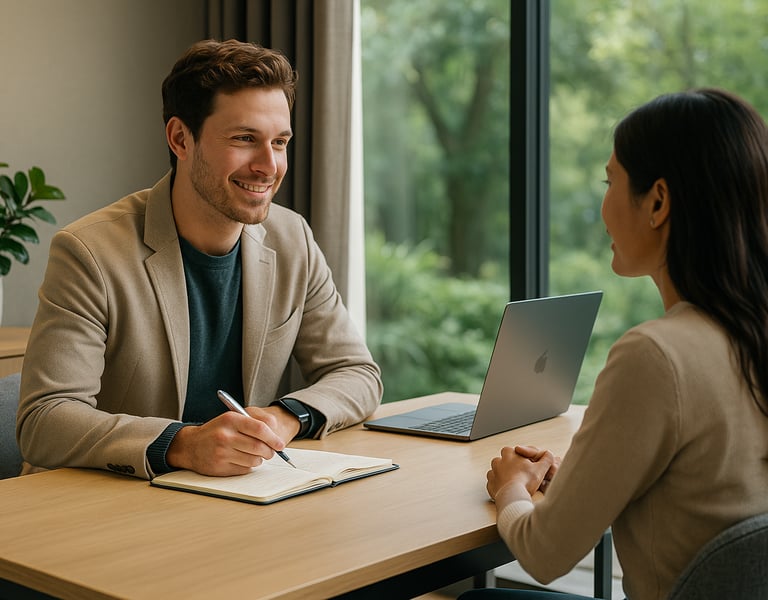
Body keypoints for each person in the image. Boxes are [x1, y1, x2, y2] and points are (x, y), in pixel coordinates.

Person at [16, 39, 383, 480]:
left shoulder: (292, 239)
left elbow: (357, 373)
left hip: (231, 500)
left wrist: (288, 416)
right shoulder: (89, 252)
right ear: (180, 139)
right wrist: (183, 444)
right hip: (103, 505)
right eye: (245, 139)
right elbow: (45, 420)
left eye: (280, 142)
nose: (269, 166)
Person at [460, 88, 768, 600]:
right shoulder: (748, 334)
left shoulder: (656, 356)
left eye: (611, 181)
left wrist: (509, 486)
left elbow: (544, 554)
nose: (602, 203)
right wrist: (583, 477)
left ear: (658, 202)